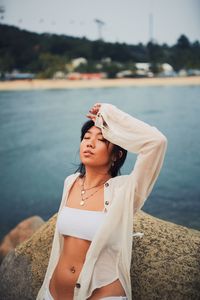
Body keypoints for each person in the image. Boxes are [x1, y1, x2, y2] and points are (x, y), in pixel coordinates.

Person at [36, 102, 168, 300]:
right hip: (53, 293)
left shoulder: (125, 191)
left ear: (117, 154)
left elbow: (157, 142)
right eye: (86, 138)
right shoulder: (70, 182)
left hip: (103, 295)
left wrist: (111, 115)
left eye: (102, 140)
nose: (89, 143)